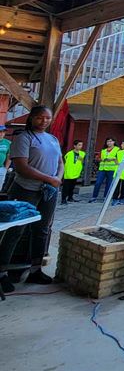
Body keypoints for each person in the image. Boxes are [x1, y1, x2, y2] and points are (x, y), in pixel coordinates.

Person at [0, 106, 64, 290]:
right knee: (16, 230)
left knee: (42, 229)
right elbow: (21, 166)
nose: (44, 121)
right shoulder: (24, 137)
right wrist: (49, 179)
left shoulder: (52, 139)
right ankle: (2, 271)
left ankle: (35, 269)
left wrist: (57, 179)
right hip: (26, 189)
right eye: (40, 117)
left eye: (48, 118)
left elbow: (60, 162)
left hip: (49, 191)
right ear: (31, 118)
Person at [88, 137, 118, 202]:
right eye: (108, 141)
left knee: (109, 184)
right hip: (102, 169)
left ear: (114, 142)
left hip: (111, 169)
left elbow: (119, 160)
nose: (109, 143)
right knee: (98, 183)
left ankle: (106, 197)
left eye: (111, 141)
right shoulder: (103, 150)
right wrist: (100, 159)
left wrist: (113, 159)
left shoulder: (117, 150)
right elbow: (97, 158)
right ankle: (94, 197)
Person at [0, 125, 10, 191]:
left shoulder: (7, 143)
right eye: (0, 132)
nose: (1, 134)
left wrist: (5, 169)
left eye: (3, 132)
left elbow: (9, 156)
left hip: (1, 169)